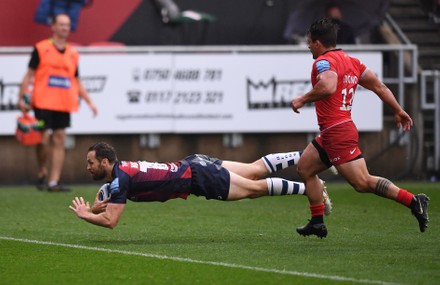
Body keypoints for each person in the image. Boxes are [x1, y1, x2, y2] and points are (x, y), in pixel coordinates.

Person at [291, 18, 429, 238]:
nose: (308, 46)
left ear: (317, 42)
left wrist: (302, 99)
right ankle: (317, 222)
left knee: (362, 183)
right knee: (305, 168)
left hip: (337, 132)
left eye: (309, 41)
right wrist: (397, 109)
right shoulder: (352, 61)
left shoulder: (323, 63)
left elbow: (328, 86)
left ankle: (413, 201)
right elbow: (379, 86)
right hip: (333, 131)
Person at [69, 142, 333, 229]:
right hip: (193, 164)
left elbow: (112, 221)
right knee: (253, 171)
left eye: (91, 162)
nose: (87, 166)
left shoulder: (120, 180)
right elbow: (109, 207)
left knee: (255, 189)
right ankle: (309, 154)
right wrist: (95, 210)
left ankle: (312, 188)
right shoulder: (121, 173)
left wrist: (86, 216)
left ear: (105, 161)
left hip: (198, 177)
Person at [17, 13, 98, 192]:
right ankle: (42, 169)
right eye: (61, 25)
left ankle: (54, 182)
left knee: (60, 138)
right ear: (53, 27)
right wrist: (21, 97)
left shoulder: (73, 54)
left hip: (63, 102)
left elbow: (76, 80)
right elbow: (29, 75)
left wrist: (90, 102)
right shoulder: (41, 48)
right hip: (43, 101)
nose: (64, 28)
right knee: (43, 139)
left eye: (67, 25)